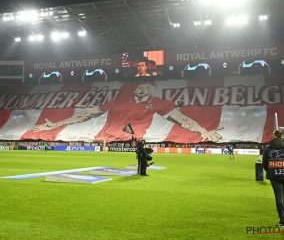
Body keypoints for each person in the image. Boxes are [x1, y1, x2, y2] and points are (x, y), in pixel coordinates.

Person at [29, 83, 222, 143]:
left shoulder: (159, 103)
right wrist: (55, 125)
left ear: (152, 89)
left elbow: (182, 119)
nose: (142, 89)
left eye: (146, 87)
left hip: (135, 139)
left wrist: (203, 131)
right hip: (108, 138)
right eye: (139, 87)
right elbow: (86, 114)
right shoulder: (117, 102)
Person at [263, 129, 284, 226]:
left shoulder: (268, 147)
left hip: (274, 175)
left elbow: (264, 163)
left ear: (274, 135)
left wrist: (270, 172)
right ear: (282, 136)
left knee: (279, 197)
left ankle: (282, 220)